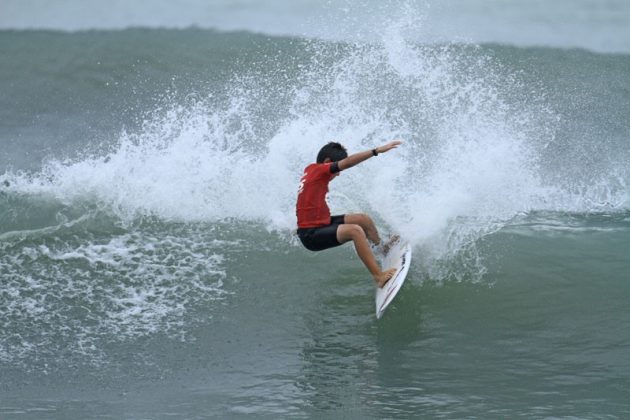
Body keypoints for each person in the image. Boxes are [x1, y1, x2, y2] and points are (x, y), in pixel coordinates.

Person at [296, 140, 402, 288]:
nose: (338, 174)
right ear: (327, 162)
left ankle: (381, 249)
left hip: (321, 222)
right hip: (311, 235)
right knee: (355, 231)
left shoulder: (311, 169)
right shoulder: (320, 170)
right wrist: (376, 151)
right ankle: (378, 276)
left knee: (362, 219)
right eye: (337, 169)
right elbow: (349, 162)